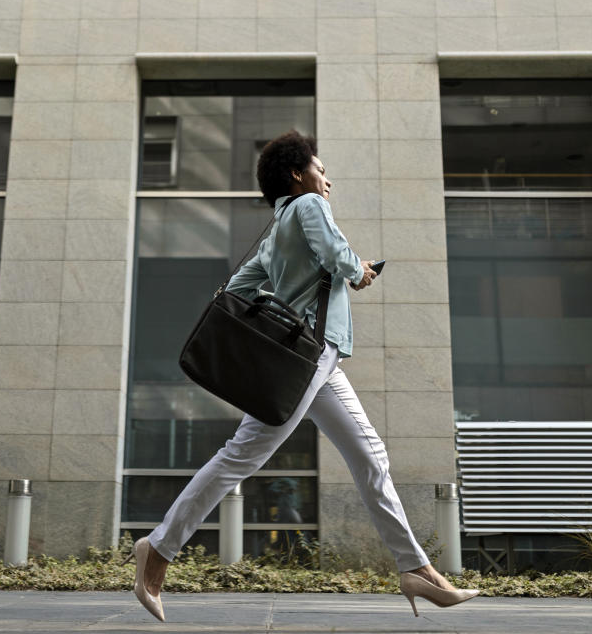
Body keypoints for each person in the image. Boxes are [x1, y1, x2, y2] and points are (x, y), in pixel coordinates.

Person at [130, 130, 479, 621]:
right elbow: (338, 259)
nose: (326, 180)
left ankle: (415, 568)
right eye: (319, 169)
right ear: (298, 175)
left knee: (370, 454)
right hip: (309, 356)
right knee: (240, 457)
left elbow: (236, 288)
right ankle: (159, 551)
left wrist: (282, 300)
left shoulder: (275, 233)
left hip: (316, 361)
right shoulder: (309, 208)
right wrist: (359, 271)